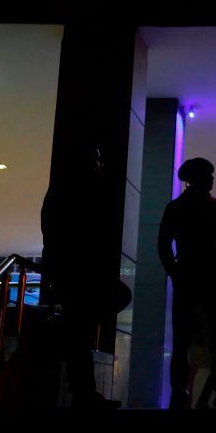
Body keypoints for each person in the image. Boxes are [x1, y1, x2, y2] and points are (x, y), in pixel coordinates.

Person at [40, 142, 121, 410]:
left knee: (79, 329)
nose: (100, 165)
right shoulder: (78, 195)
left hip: (73, 270)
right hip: (78, 272)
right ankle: (84, 391)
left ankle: (84, 389)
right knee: (80, 329)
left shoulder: (63, 193)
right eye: (96, 160)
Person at [158, 157, 216, 409]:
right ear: (199, 177)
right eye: (208, 175)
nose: (212, 179)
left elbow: (163, 245)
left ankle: (179, 393)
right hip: (212, 279)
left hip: (188, 278)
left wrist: (174, 272)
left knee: (182, 340)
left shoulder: (176, 207)